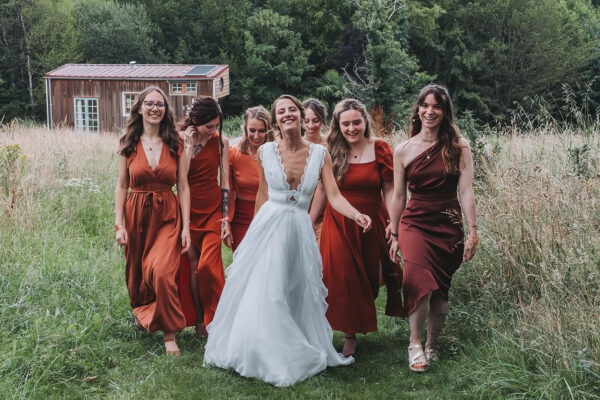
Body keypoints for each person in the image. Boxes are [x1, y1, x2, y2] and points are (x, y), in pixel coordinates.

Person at [204, 95, 372, 387]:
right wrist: (253, 236)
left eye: (291, 109)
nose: (286, 115)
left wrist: (356, 214)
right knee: (271, 289)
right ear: (276, 119)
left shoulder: (320, 154)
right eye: (280, 112)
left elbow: (333, 195)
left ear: (300, 114)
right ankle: (266, 350)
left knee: (295, 287)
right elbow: (262, 195)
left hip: (299, 228)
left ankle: (294, 340)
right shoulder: (266, 151)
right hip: (270, 225)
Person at [388, 84, 478, 372]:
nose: (430, 111)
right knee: (416, 280)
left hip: (448, 225)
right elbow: (399, 195)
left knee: (440, 294)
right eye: (425, 105)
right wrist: (393, 232)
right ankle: (414, 344)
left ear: (444, 111)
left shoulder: (459, 147)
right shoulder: (403, 150)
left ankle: (431, 344)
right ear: (417, 109)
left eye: (436, 106)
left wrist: (472, 230)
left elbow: (466, 192)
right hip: (415, 223)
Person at [317, 98, 404, 358]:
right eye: (346, 124)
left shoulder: (380, 148)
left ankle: (357, 317)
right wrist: (309, 220)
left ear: (365, 122)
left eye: (356, 122)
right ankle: (349, 335)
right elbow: (324, 190)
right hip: (339, 221)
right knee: (344, 277)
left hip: (373, 222)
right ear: (338, 125)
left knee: (368, 280)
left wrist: (394, 223)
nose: (352, 128)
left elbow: (390, 190)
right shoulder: (331, 149)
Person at [114, 86, 191, 356]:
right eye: (149, 103)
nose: (155, 108)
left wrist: (187, 228)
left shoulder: (176, 143)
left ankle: (169, 333)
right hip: (136, 214)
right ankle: (144, 314)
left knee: (162, 272)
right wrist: (119, 224)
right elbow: (122, 186)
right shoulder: (128, 142)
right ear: (139, 108)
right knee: (137, 273)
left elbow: (183, 187)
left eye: (160, 104)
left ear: (165, 110)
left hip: (167, 215)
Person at [177, 96, 230, 337]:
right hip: (186, 210)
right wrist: (188, 147)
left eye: (216, 126)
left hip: (212, 211)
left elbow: (225, 182)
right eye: (209, 126)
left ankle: (223, 318)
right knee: (192, 269)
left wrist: (226, 217)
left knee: (209, 266)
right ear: (195, 121)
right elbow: (181, 178)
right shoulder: (178, 140)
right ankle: (201, 323)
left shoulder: (221, 143)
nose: (213, 131)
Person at [228, 106, 274, 251]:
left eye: (261, 131)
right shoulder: (233, 153)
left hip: (270, 217)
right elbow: (228, 191)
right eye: (252, 130)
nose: (256, 135)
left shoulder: (277, 153)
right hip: (241, 219)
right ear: (245, 129)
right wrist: (226, 222)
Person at [302, 98, 328, 243]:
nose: (311, 126)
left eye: (316, 120)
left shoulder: (331, 144)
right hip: (301, 210)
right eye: (306, 121)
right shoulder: (296, 147)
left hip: (327, 212)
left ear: (322, 121)